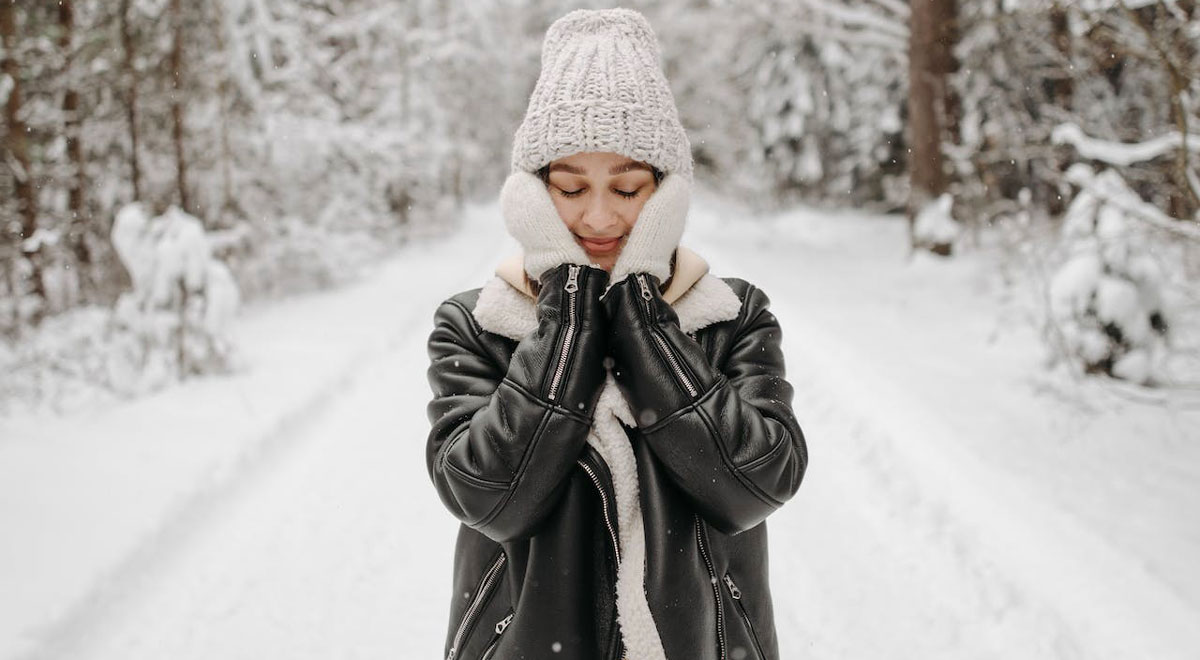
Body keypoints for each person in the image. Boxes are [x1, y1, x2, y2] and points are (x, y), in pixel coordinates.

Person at [424, 8, 807, 660]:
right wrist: (571, 319)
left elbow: (754, 484)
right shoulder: (476, 326)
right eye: (570, 188)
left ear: (665, 195)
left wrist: (642, 319)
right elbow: (488, 497)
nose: (598, 216)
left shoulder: (731, 317)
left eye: (627, 189)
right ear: (533, 196)